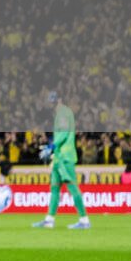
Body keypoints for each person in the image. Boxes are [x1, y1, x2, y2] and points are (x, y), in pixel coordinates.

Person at [35, 94, 90, 230]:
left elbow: (64, 133)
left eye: (52, 101)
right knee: (54, 188)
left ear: (58, 101)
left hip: (66, 157)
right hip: (59, 158)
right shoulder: (59, 114)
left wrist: (51, 146)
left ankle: (84, 220)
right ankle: (49, 220)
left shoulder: (64, 113)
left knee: (72, 187)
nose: (50, 104)